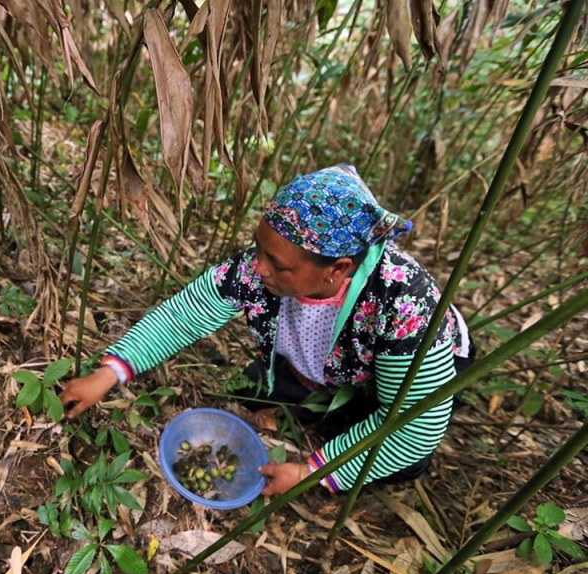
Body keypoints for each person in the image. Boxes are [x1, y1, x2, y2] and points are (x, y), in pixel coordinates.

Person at [59, 164, 473, 497]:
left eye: (277, 265)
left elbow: (413, 425)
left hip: (406, 372)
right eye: (259, 250)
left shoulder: (405, 307)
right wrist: (109, 372)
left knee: (396, 454)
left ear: (338, 269)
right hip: (324, 360)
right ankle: (319, 394)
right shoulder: (267, 263)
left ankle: (342, 417)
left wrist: (314, 472)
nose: (258, 268)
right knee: (250, 388)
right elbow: (185, 314)